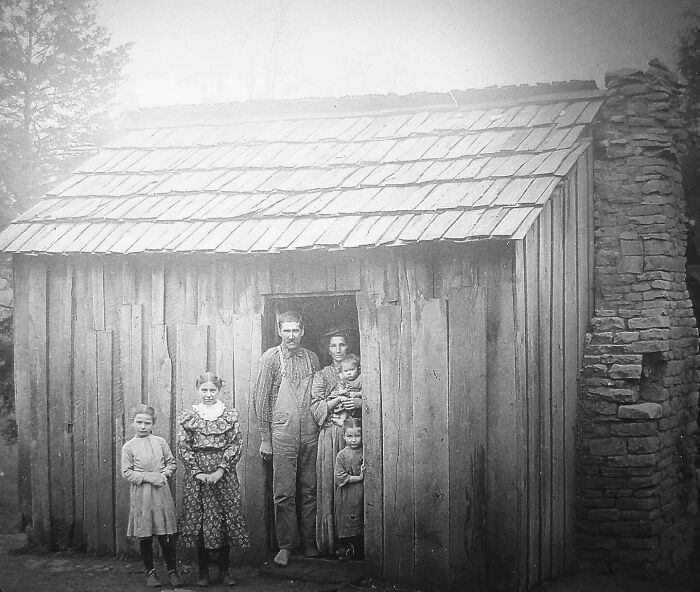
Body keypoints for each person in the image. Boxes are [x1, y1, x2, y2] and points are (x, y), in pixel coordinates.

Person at [253, 311, 321, 567]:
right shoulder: (272, 357)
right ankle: (286, 545)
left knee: (310, 489)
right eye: (287, 330)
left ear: (302, 332)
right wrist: (265, 438)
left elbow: (317, 393)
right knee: (284, 492)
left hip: (310, 431)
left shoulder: (311, 358)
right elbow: (260, 399)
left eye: (296, 331)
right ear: (279, 331)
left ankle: (310, 541)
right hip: (282, 432)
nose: (291, 336)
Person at [178, 373, 249, 587]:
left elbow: (235, 444)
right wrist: (197, 471)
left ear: (219, 391)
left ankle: (224, 571)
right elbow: (184, 446)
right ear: (198, 390)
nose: (208, 395)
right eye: (204, 390)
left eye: (212, 391)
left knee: (224, 520)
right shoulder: (190, 415)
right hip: (197, 476)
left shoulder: (228, 415)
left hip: (223, 476)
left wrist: (221, 469)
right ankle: (203, 572)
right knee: (201, 521)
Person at [310, 330, 363, 556]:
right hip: (331, 434)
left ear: (348, 346)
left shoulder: (359, 372)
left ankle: (356, 542)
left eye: (342, 345)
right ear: (328, 349)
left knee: (355, 487)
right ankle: (332, 543)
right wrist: (337, 401)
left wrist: (357, 401)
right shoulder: (322, 375)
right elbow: (315, 407)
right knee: (331, 483)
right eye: (334, 345)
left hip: (353, 431)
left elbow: (374, 396)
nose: (338, 350)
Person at [121, 404, 180, 588]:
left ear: (153, 424)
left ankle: (172, 571)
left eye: (147, 423)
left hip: (161, 493)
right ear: (132, 423)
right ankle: (150, 572)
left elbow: (171, 463)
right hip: (142, 495)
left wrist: (162, 475)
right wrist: (148, 478)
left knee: (165, 536)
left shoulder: (160, 442)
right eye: (139, 422)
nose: (143, 426)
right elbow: (126, 472)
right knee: (145, 536)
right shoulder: (128, 447)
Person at [334, 417, 364, 561]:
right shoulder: (341, 455)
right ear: (344, 436)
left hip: (362, 494)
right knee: (347, 520)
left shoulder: (366, 452)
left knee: (361, 519)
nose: (353, 440)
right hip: (347, 495)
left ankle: (358, 552)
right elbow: (340, 477)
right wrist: (359, 478)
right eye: (350, 436)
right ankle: (346, 549)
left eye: (357, 436)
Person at [332, 354, 362, 427]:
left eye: (352, 370)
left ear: (358, 369)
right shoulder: (344, 380)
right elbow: (340, 388)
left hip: (356, 402)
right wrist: (342, 391)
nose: (349, 373)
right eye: (346, 371)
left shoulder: (360, 380)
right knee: (343, 407)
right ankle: (342, 421)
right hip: (346, 400)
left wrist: (356, 394)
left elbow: (364, 392)